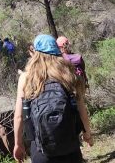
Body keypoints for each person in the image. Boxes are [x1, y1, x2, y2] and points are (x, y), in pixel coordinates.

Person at [14, 34, 93, 163]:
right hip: (70, 148)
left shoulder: (26, 78)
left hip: (41, 151)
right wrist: (87, 134)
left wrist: (18, 144)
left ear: (35, 52)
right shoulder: (69, 74)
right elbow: (81, 109)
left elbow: (19, 116)